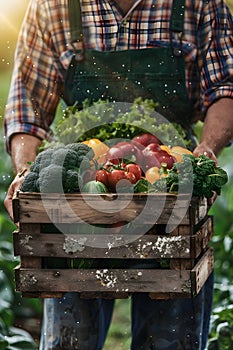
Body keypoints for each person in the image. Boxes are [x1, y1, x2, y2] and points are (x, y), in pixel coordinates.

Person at [4, 0, 233, 349]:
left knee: (170, 341)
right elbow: (27, 108)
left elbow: (225, 89)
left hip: (172, 202)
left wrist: (206, 151)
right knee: (70, 342)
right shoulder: (53, 6)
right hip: (77, 204)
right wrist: (25, 169)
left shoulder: (198, 3)